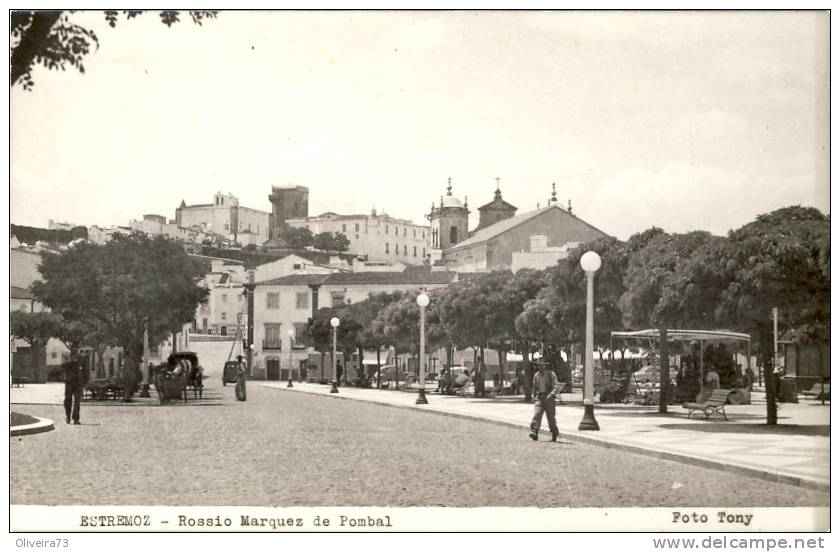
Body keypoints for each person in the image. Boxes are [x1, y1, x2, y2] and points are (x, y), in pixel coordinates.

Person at [529, 363, 560, 442]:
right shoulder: (536, 375)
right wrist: (534, 397)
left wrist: (551, 394)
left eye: (542, 365)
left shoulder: (551, 374)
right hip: (540, 397)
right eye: (539, 365)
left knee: (551, 418)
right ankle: (534, 432)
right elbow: (535, 387)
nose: (540, 367)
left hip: (549, 397)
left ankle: (554, 433)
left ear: (545, 366)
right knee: (537, 414)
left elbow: (557, 385)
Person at [63, 351, 87, 425]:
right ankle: (68, 416)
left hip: (78, 384)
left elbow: (86, 371)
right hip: (69, 383)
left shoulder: (82, 360)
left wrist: (84, 383)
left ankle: (76, 419)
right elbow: (63, 367)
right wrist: (72, 361)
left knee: (77, 402)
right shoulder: (67, 359)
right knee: (67, 401)